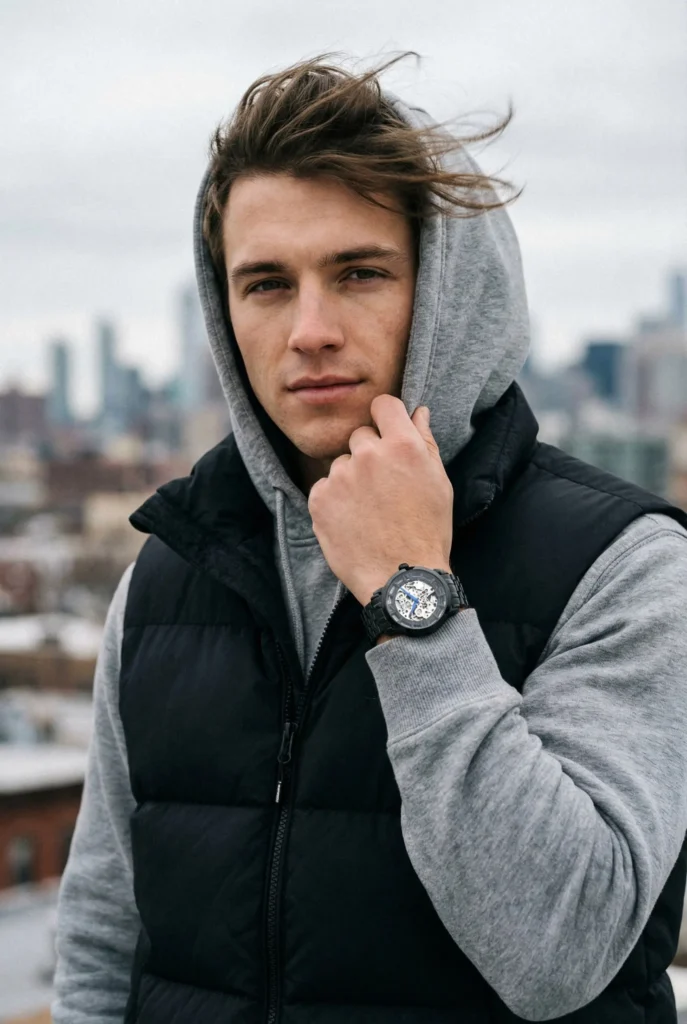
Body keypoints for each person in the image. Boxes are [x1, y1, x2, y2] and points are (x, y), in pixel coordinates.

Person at [53, 56, 687, 1024]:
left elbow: (558, 951)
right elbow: (103, 939)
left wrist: (409, 593)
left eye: (359, 273)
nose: (309, 329)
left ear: (449, 295)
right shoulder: (169, 571)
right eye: (266, 283)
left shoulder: (628, 565)